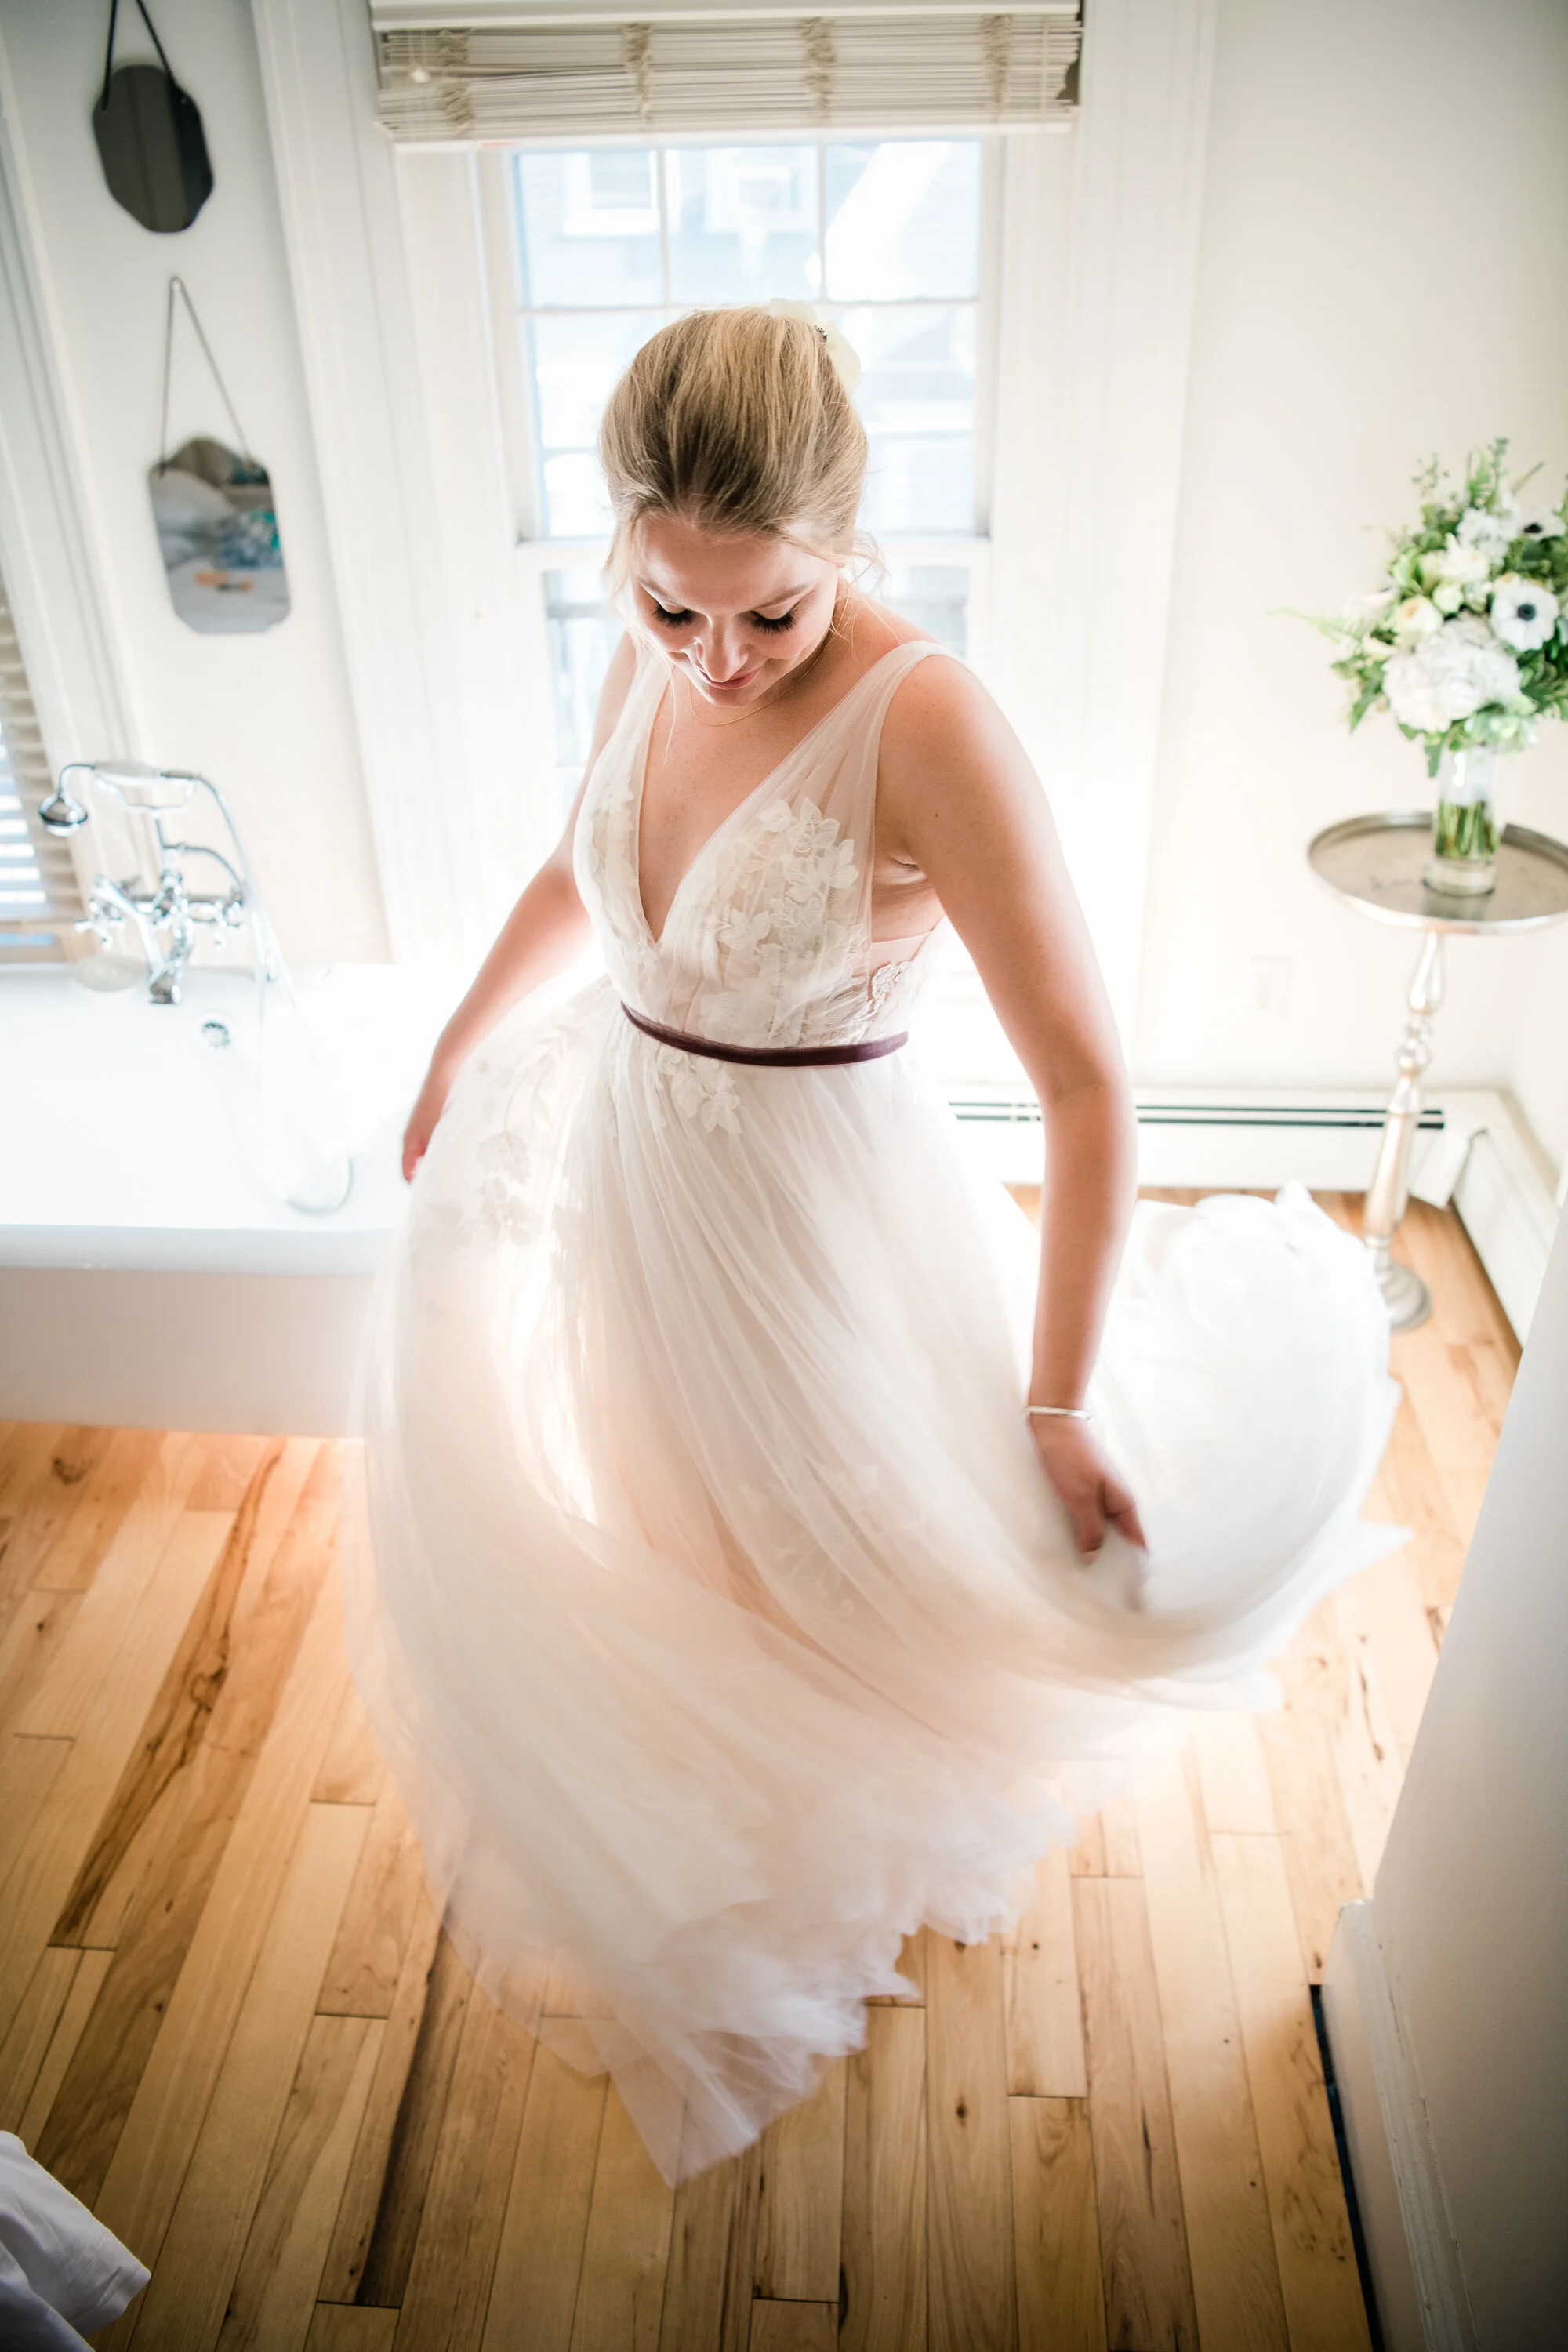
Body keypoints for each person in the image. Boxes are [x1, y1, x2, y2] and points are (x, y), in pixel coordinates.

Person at [350, 306, 1398, 2186]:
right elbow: (573, 864)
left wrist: (1057, 1398)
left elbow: (1086, 1085)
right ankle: (746, 1802)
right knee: (684, 1524)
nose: (716, 659)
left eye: (770, 612)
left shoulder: (928, 724)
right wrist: (453, 1042)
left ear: (849, 541)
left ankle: (841, 1816)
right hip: (642, 1180)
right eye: (671, 608)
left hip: (812, 1224)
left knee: (837, 1553)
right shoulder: (653, 650)